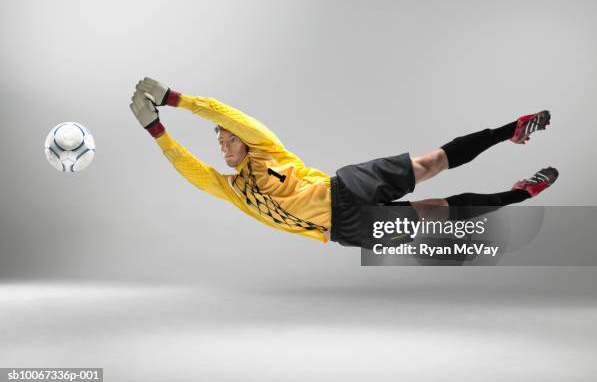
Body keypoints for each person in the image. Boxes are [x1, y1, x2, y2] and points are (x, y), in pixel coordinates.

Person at [130, 77, 558, 248]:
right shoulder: (232, 187)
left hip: (344, 188)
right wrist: (158, 132)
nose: (223, 147)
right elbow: (191, 171)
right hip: (343, 229)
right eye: (219, 144)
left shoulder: (266, 149)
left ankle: (511, 130)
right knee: (439, 213)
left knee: (432, 163)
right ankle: (519, 194)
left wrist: (177, 101)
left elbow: (231, 116)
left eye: (227, 140)